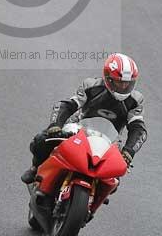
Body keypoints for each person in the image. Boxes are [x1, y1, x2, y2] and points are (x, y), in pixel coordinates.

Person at [21, 52, 147, 184]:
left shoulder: (136, 100)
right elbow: (67, 105)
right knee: (43, 139)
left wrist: (129, 151)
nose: (123, 87)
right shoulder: (91, 86)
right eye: (118, 82)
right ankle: (35, 168)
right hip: (78, 130)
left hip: (110, 141)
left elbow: (138, 129)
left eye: (127, 83)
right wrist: (55, 125)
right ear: (108, 78)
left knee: (115, 178)